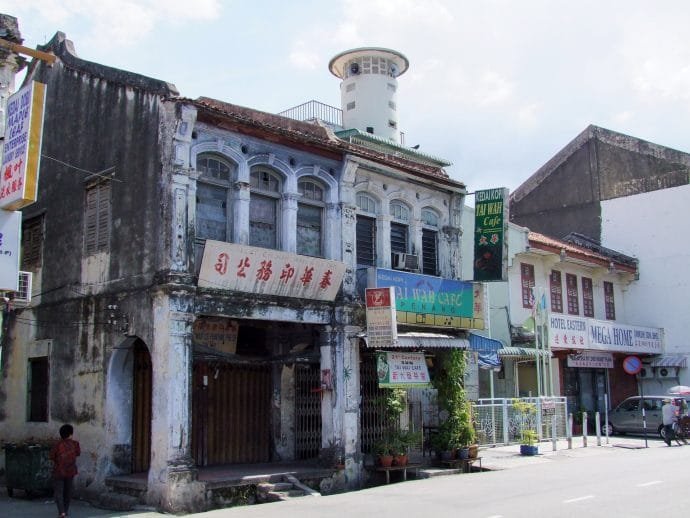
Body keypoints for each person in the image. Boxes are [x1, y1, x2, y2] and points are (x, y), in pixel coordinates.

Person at [49, 424, 81, 518]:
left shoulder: (57, 445)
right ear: (71, 434)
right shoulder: (75, 444)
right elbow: (78, 453)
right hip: (70, 471)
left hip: (58, 471)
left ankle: (61, 512)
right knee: (67, 492)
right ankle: (65, 511)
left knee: (59, 492)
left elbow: (51, 456)